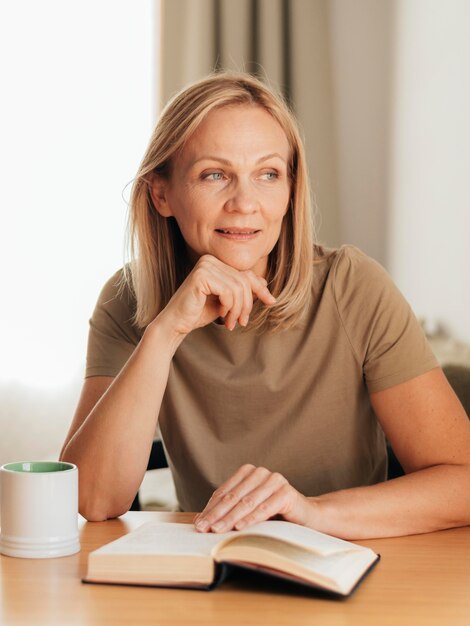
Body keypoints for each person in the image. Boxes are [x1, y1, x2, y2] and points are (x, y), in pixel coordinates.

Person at [60, 72, 470, 539]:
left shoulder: (354, 287)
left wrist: (311, 512)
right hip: (212, 568)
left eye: (268, 174)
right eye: (215, 175)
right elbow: (92, 498)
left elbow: (462, 481)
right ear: (162, 194)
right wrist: (166, 331)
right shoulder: (128, 299)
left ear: (290, 190)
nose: (244, 202)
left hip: (348, 568)